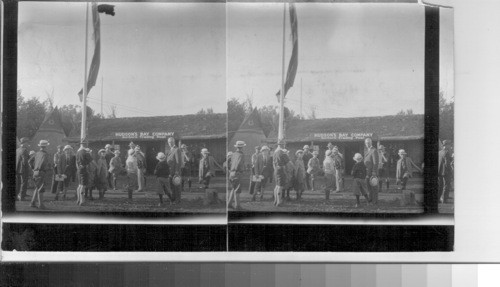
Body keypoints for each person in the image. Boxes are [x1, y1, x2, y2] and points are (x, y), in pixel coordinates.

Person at [28, 140, 51, 209]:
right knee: (41, 188)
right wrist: (46, 168)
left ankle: (32, 202)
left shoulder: (36, 153)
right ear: (46, 146)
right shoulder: (45, 154)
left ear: (40, 146)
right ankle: (41, 205)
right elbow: (44, 163)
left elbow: (29, 161)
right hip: (41, 172)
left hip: (35, 172)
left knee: (37, 188)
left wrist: (33, 168)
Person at [228, 141, 246, 210]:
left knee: (233, 189)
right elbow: (240, 164)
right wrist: (242, 170)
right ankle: (237, 206)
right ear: (242, 147)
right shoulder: (241, 155)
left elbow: (230, 163)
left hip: (231, 173)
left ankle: (229, 204)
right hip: (237, 173)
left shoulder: (233, 154)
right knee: (237, 190)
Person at [272, 140, 289, 206]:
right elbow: (288, 161)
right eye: (284, 144)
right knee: (280, 186)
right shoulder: (282, 152)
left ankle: (276, 201)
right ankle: (279, 202)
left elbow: (273, 162)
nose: (284, 145)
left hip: (276, 169)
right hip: (281, 169)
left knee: (276, 186)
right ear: (282, 145)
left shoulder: (275, 152)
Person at [166, 137, 182, 204]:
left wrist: (177, 171)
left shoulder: (177, 149)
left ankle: (177, 200)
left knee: (176, 186)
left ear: (174, 142)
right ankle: (173, 199)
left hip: (175, 171)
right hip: (170, 171)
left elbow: (178, 162)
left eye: (171, 142)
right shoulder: (170, 150)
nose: (170, 143)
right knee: (171, 186)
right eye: (169, 142)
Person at [364, 137, 379, 205]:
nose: (367, 144)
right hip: (367, 172)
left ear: (371, 143)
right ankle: (370, 199)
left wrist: (374, 171)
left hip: (372, 172)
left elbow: (375, 162)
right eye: (366, 143)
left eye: (369, 143)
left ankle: (374, 201)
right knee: (368, 187)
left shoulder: (374, 150)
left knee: (374, 187)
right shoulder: (367, 150)